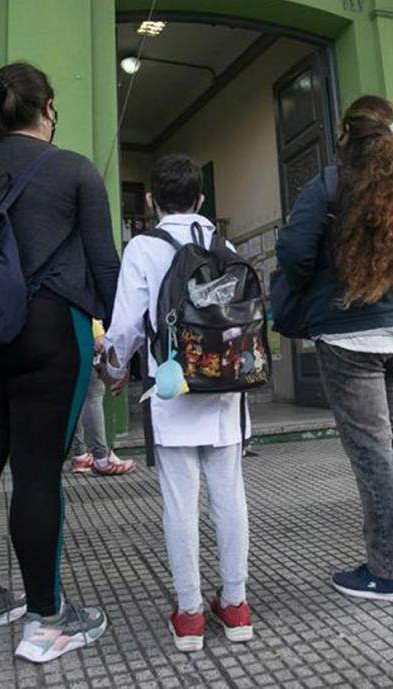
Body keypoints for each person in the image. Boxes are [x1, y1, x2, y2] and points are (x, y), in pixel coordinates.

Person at [0, 62, 119, 664]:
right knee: (37, 473)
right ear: (48, 109)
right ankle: (46, 618)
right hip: (46, 331)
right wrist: (120, 345)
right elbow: (104, 266)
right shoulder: (75, 169)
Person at [277, 96, 393, 605]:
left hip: (349, 333)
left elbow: (294, 251)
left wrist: (320, 282)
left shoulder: (330, 185)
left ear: (345, 136)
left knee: (372, 449)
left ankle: (391, 572)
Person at [104, 154, 253, 652]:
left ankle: (189, 614)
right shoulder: (223, 244)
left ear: (150, 201)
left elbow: (124, 326)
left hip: (172, 388)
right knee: (229, 496)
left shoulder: (143, 247)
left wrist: (113, 368)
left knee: (179, 501)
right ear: (201, 199)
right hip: (226, 389)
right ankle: (235, 605)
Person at [69, 320, 135, 476]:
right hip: (83, 335)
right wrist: (98, 333)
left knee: (75, 396)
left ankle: (80, 455)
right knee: (93, 394)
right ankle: (102, 458)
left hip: (62, 338)